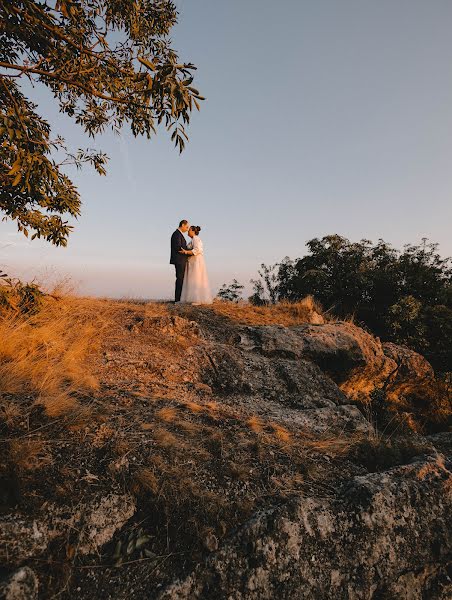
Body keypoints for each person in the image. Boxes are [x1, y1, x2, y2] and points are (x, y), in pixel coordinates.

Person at [179, 225, 213, 304]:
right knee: (192, 278)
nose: (188, 231)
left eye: (189, 230)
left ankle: (197, 299)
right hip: (192, 261)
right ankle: (189, 298)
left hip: (196, 261)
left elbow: (197, 250)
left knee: (196, 278)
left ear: (193, 231)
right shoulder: (192, 240)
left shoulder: (196, 239)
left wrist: (186, 252)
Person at [169, 219, 189, 302]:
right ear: (183, 225)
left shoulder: (178, 234)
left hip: (181, 260)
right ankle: (178, 300)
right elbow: (178, 247)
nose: (187, 229)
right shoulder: (176, 234)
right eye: (187, 227)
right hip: (179, 260)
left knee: (181, 279)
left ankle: (179, 298)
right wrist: (188, 252)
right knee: (180, 279)